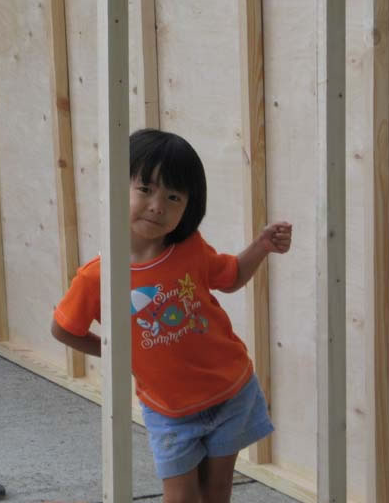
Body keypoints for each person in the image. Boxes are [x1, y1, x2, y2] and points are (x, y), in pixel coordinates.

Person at [51, 128, 292, 503]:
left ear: (189, 207)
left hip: (231, 391)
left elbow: (230, 277)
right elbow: (64, 329)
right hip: (170, 411)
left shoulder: (190, 249)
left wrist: (262, 246)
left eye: (173, 196)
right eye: (145, 189)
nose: (157, 205)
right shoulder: (98, 277)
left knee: (216, 493)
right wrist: (115, 353)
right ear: (116, 188)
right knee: (180, 498)